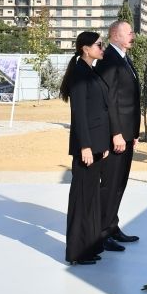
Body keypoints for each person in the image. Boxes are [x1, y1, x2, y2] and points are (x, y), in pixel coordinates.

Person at [60, 31, 111, 266]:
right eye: (99, 45)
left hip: (98, 145)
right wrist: (86, 147)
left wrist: (104, 145)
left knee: (91, 198)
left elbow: (100, 110)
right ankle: (77, 252)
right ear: (85, 49)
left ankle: (89, 247)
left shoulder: (91, 70)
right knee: (81, 199)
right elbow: (79, 114)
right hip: (87, 147)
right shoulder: (80, 74)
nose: (102, 48)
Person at [96, 20, 141, 252]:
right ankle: (101, 234)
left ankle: (112, 227)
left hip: (126, 135)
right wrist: (116, 133)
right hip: (115, 137)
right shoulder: (109, 60)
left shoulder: (123, 57)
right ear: (115, 35)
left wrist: (133, 132)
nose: (133, 35)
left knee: (119, 183)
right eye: (129, 32)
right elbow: (109, 101)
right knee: (110, 184)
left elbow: (130, 100)